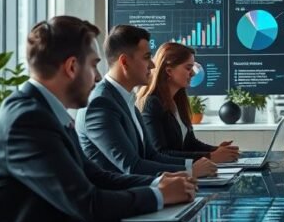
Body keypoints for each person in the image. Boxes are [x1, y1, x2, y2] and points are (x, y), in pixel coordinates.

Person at [0, 16, 196, 222]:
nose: (99, 76)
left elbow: (96, 175)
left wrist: (157, 182)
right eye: (93, 65)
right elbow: (87, 203)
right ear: (71, 67)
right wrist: (158, 195)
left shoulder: (46, 113)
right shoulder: (27, 121)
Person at [77, 24, 216, 178]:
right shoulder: (100, 104)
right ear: (124, 62)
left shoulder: (127, 101)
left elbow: (152, 156)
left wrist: (191, 166)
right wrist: (189, 171)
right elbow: (131, 166)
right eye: (146, 57)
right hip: (119, 197)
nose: (153, 64)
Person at [137, 42, 240, 162]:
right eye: (188, 68)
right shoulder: (152, 103)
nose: (193, 73)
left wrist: (217, 150)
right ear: (169, 71)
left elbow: (190, 144)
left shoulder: (177, 101)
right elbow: (160, 153)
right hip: (168, 177)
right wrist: (211, 157)